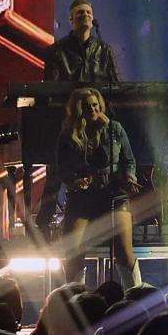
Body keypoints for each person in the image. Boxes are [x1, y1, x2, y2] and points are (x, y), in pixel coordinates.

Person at [54, 87, 143, 290]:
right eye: (87, 106)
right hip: (82, 197)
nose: (92, 109)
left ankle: (135, 296)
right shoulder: (68, 134)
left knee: (124, 251)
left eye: (95, 105)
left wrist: (130, 177)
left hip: (113, 195)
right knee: (73, 250)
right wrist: (74, 181)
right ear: (78, 110)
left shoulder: (115, 129)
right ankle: (76, 300)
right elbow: (62, 169)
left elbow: (129, 160)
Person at [44, 0, 121, 86]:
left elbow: (118, 85)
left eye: (88, 12)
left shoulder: (105, 50)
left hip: (99, 99)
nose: (85, 14)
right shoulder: (55, 51)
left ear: (92, 20)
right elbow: (50, 88)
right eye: (80, 12)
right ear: (71, 20)